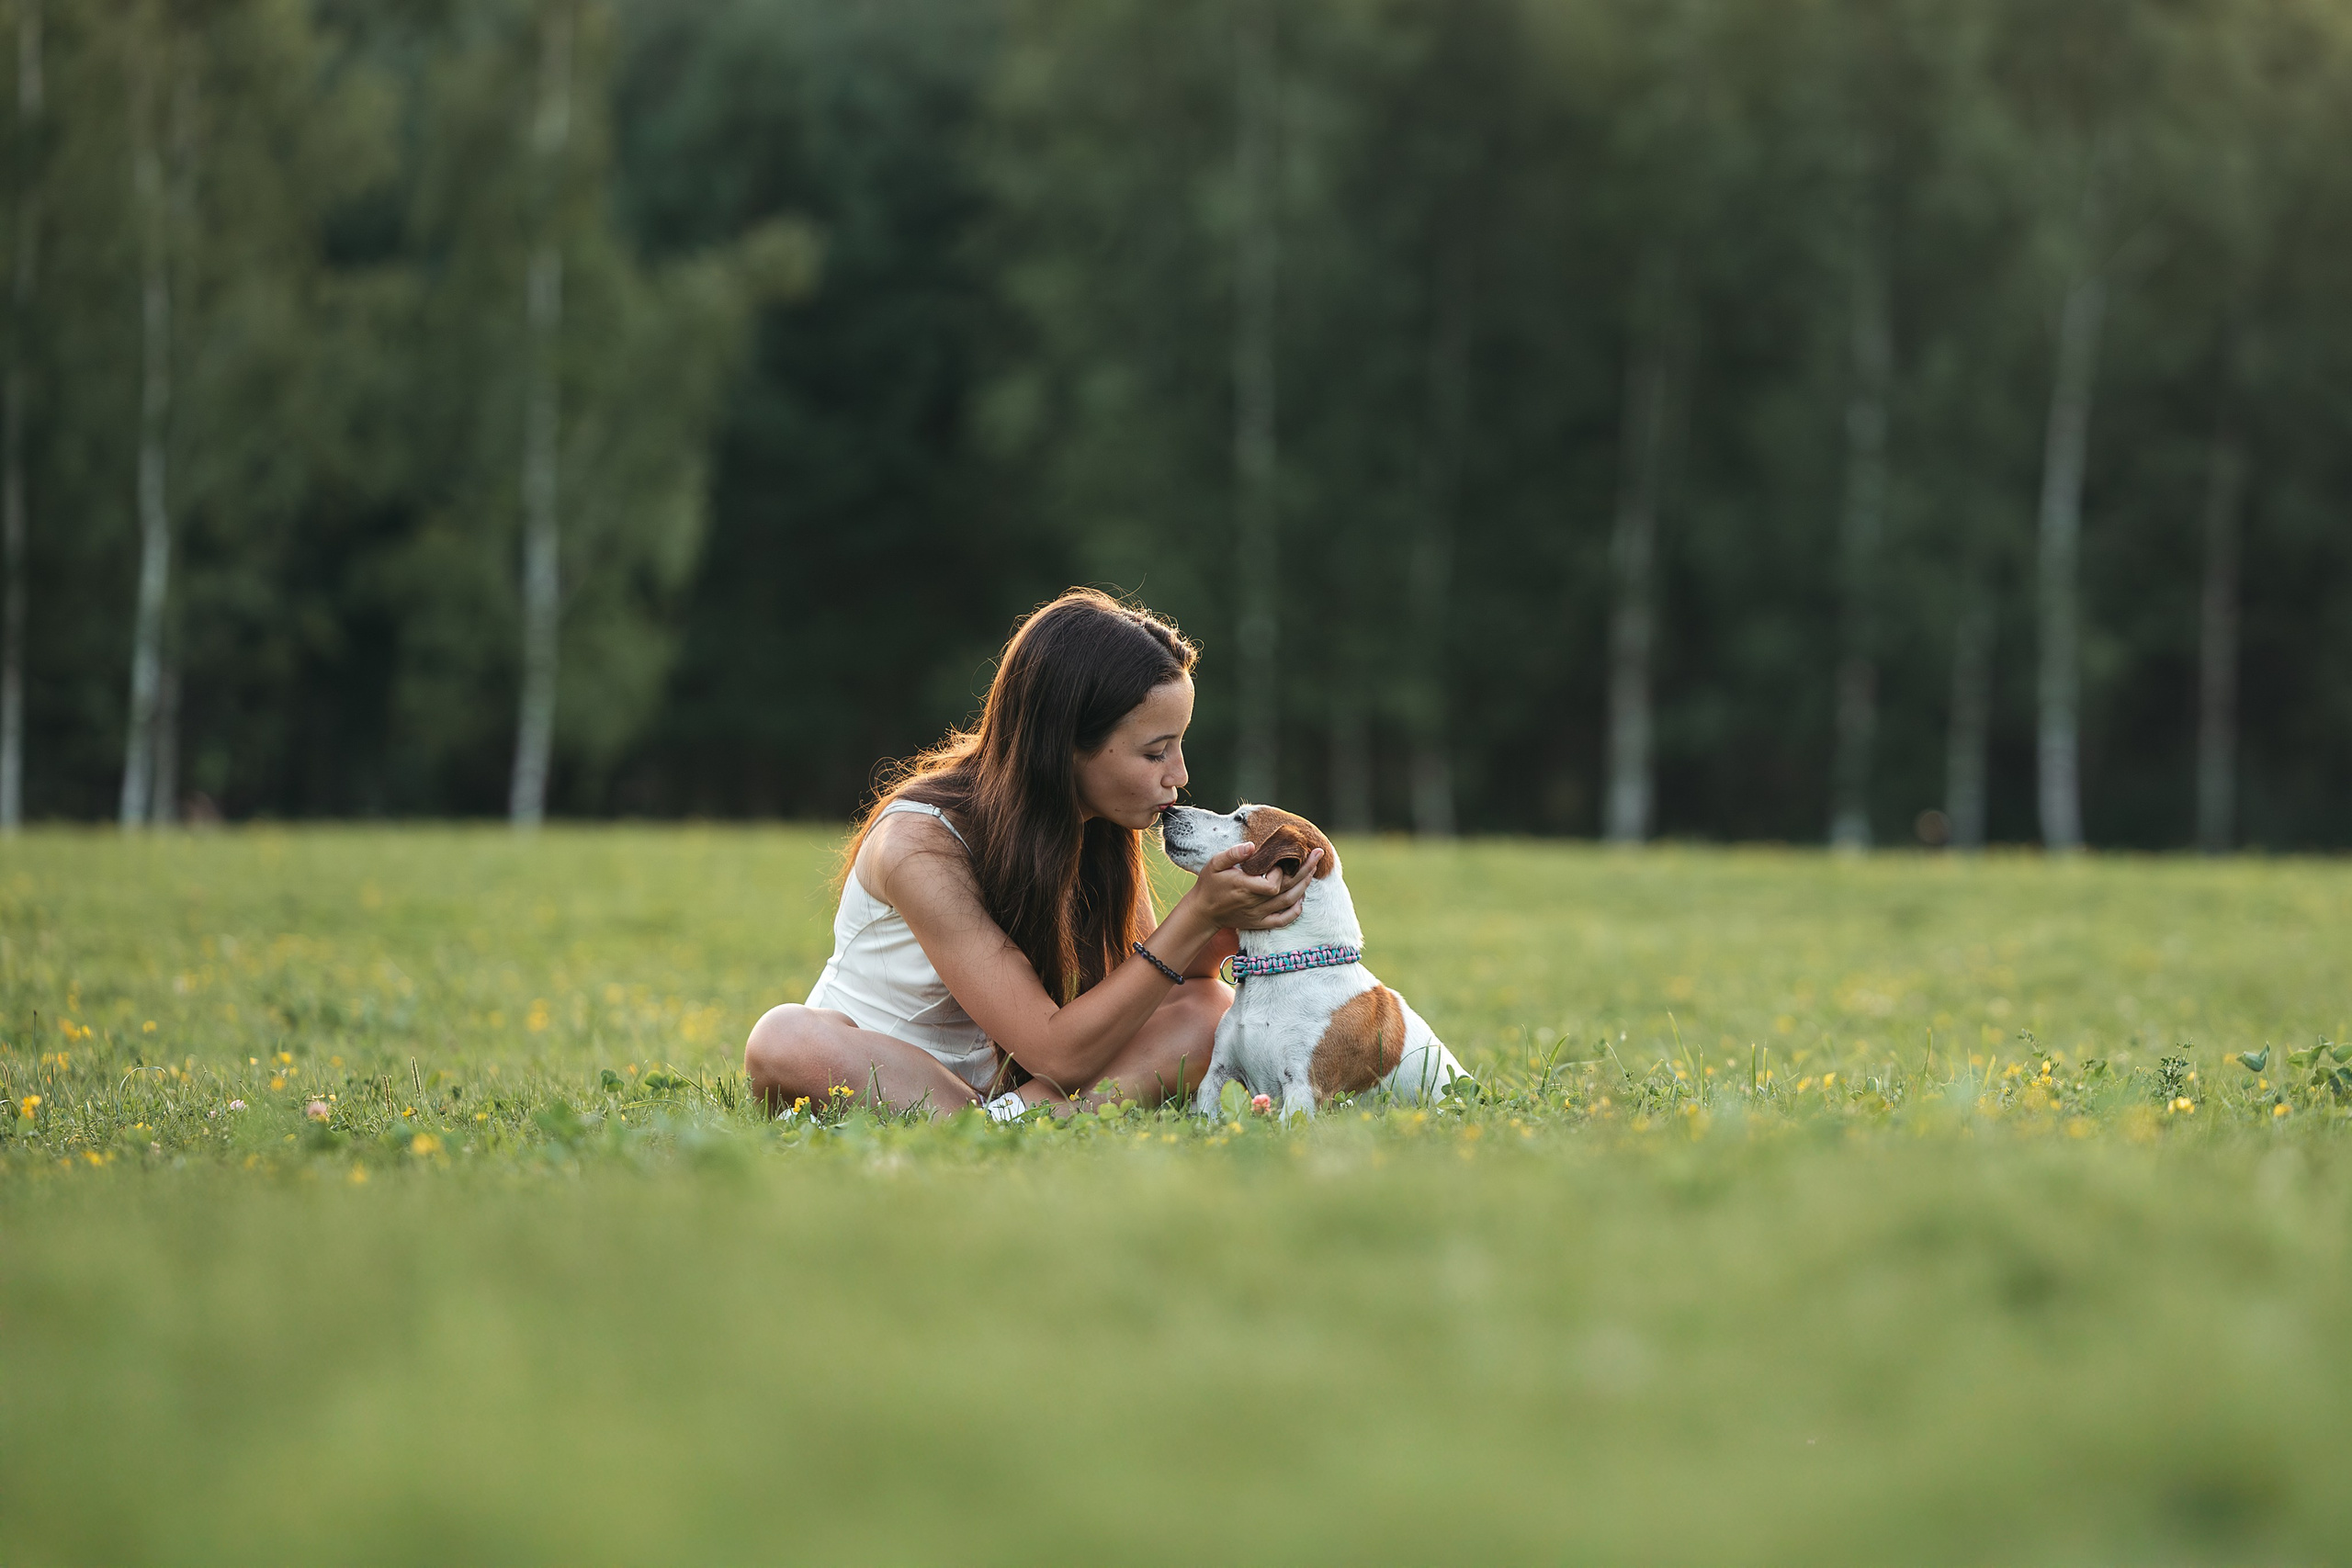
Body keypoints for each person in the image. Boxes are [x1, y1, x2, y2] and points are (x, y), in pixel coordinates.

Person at [743, 589, 1321, 1120]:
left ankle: (1010, 1121)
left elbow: (1163, 986)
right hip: (883, 1074)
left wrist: (1232, 918)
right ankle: (1016, 1122)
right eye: (1155, 753)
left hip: (1017, 1083)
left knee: (1206, 1010)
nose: (1180, 776)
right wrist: (1197, 914)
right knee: (784, 1039)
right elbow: (1056, 1053)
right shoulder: (919, 845)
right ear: (1067, 744)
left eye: (1180, 744)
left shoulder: (1097, 824)